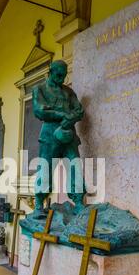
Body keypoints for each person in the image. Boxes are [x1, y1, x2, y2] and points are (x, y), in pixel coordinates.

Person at [32, 60, 86, 213]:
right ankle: (39, 203)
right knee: (45, 167)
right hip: (49, 134)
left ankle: (78, 200)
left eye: (64, 75)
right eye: (58, 75)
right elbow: (39, 111)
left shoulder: (69, 92)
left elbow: (79, 110)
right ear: (51, 72)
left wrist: (71, 118)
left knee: (75, 165)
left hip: (69, 133)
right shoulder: (40, 89)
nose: (62, 79)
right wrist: (62, 114)